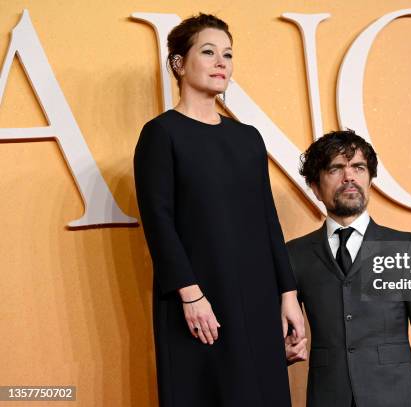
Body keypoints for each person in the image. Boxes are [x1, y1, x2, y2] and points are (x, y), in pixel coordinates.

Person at [133, 13, 305, 407]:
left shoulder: (247, 137)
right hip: (199, 297)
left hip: (259, 296)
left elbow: (268, 220)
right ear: (179, 63)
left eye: (227, 54)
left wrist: (288, 296)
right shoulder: (161, 134)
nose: (221, 62)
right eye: (208, 52)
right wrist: (191, 295)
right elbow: (158, 221)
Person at [284, 130, 411, 407]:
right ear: (315, 186)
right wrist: (282, 349)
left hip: (394, 387)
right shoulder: (295, 252)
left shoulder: (402, 243)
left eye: (358, 167)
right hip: (329, 390)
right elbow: (284, 318)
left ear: (369, 179)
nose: (349, 177)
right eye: (336, 168)